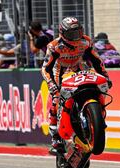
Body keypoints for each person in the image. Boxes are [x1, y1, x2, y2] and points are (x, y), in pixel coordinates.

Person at [41, 17, 112, 154]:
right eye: (71, 34)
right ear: (62, 33)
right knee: (56, 101)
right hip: (59, 72)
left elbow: (97, 60)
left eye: (78, 32)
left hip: (79, 68)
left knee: (95, 89)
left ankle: (96, 122)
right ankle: (55, 139)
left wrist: (106, 76)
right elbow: (45, 68)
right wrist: (52, 85)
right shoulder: (54, 46)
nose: (76, 37)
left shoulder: (86, 41)